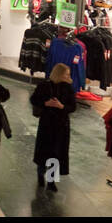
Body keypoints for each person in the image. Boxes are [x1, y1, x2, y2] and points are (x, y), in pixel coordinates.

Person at [29, 62, 76, 192]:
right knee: (44, 151)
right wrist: (46, 103)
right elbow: (33, 100)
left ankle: (51, 181)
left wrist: (61, 107)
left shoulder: (68, 88)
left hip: (61, 126)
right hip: (47, 124)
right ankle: (40, 174)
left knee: (56, 153)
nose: (68, 76)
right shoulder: (44, 86)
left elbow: (73, 107)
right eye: (66, 74)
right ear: (59, 74)